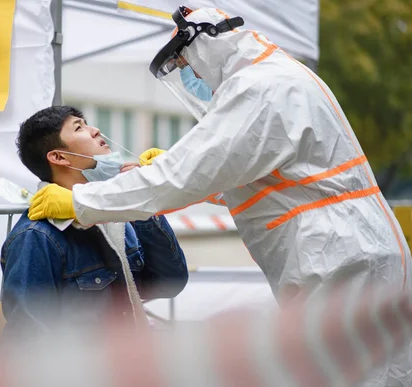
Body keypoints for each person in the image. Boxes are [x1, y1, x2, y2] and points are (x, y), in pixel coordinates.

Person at [27, 7, 412, 385]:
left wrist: (81, 203)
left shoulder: (260, 90)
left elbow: (181, 178)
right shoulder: (275, 78)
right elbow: (267, 183)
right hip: (348, 251)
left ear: (206, 46)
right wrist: (171, 174)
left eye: (187, 65)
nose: (192, 76)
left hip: (341, 259)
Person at [0, 106, 188, 339]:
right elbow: (28, 339)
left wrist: (140, 199)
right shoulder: (37, 236)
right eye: (79, 127)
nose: (96, 130)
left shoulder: (116, 219)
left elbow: (170, 282)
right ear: (58, 157)